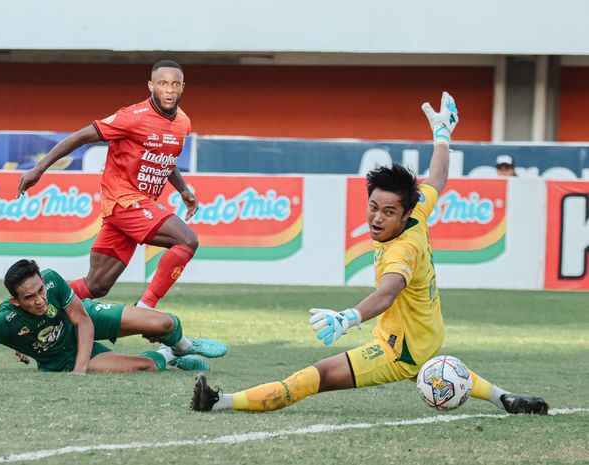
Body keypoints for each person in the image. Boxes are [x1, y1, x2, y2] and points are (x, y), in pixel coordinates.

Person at [191, 92, 548, 415]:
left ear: (405, 214)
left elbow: (387, 292)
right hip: (424, 335)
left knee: (313, 377)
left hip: (399, 350)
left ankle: (218, 402)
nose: (377, 218)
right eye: (373, 206)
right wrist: (443, 135)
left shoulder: (403, 250)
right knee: (430, 365)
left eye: (388, 212)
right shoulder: (418, 209)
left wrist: (347, 318)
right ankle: (504, 397)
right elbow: (437, 177)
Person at [17, 60, 198, 311]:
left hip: (132, 208)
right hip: (124, 201)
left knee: (96, 285)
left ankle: (26, 310)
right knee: (187, 241)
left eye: (175, 84)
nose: (169, 90)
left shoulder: (183, 123)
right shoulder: (131, 117)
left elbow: (166, 159)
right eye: (163, 83)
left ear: (183, 87)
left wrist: (183, 190)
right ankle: (146, 308)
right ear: (151, 86)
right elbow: (81, 136)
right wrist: (39, 168)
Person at [0, 259, 226, 376]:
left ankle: (184, 344)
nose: (40, 299)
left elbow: (83, 322)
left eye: (40, 291)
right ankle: (170, 356)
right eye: (29, 298)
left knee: (163, 323)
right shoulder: (3, 320)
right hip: (60, 359)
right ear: (14, 301)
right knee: (144, 366)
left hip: (84, 322)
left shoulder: (53, 281)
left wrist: (80, 370)